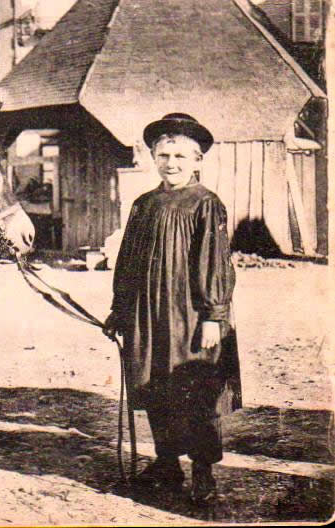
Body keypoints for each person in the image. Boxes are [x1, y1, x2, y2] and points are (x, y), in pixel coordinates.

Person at [103, 113, 242, 504]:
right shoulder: (143, 205)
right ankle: (167, 464)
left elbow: (215, 263)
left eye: (181, 156)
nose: (172, 163)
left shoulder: (206, 204)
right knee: (155, 385)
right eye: (164, 155)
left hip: (192, 318)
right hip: (148, 316)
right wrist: (119, 310)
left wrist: (215, 317)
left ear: (198, 160)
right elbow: (127, 261)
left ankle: (202, 472)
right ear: (153, 157)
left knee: (197, 393)